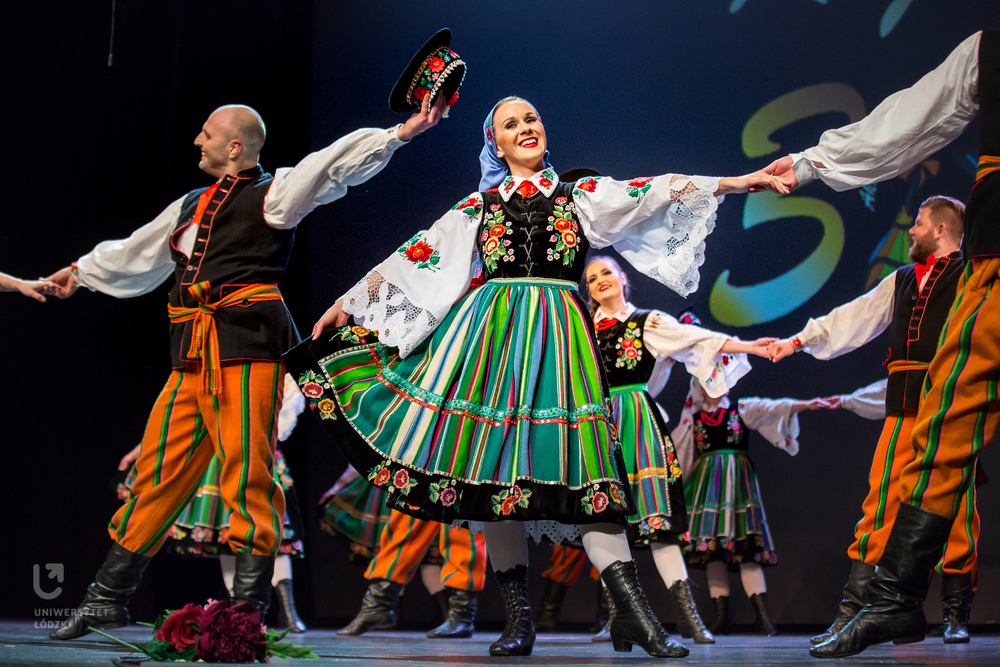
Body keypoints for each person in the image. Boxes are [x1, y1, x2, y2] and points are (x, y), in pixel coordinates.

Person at [290, 95, 787, 658]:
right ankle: (519, 620)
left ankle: (637, 616)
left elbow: (653, 190)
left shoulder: (580, 197)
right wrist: (352, 304)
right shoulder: (479, 207)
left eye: (531, 119)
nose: (525, 128)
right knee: (497, 478)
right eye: (511, 124)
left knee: (592, 476)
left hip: (558, 344)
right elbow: (417, 257)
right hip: (491, 347)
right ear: (495, 144)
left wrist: (740, 181)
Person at [46, 96, 449, 641]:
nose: (197, 141)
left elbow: (329, 165)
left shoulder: (274, 194)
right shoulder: (190, 204)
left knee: (246, 473)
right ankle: (106, 598)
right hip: (190, 353)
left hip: (247, 349)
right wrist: (81, 273)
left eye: (206, 134)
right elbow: (138, 250)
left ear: (234, 146)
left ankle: (244, 614)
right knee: (156, 472)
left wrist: (399, 133)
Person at [760, 30, 995, 658]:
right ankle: (881, 602)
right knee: (920, 469)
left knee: (946, 475)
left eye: (920, 222)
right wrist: (812, 162)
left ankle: (933, 606)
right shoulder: (991, 52)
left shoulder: (960, 272)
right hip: (911, 394)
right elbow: (913, 115)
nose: (913, 228)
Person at [768, 196, 981, 646]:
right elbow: (854, 318)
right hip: (903, 408)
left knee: (957, 511)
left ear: (941, 230)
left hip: (949, 408)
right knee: (880, 503)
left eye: (918, 223)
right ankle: (853, 610)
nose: (911, 230)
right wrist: (799, 340)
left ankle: (956, 613)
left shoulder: (973, 276)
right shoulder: (901, 280)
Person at [583, 255, 775, 644]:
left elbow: (696, 341)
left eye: (606, 273)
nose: (600, 281)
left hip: (636, 419)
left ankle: (688, 618)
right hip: (598, 425)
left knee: (658, 523)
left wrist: (749, 346)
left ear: (623, 279)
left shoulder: (647, 322)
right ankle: (619, 616)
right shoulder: (582, 331)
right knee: (608, 522)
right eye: (591, 279)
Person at [116, 373, 310, 632]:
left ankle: (288, 610)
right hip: (215, 459)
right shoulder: (207, 374)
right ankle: (240, 610)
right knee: (226, 536)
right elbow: (178, 424)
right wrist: (141, 450)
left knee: (270, 531)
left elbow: (281, 420)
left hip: (252, 451)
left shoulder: (265, 373)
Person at [671, 374, 828, 636]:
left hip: (737, 485)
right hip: (706, 485)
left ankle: (762, 617)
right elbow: (680, 451)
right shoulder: (693, 419)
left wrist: (808, 404)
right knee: (712, 550)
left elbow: (774, 407)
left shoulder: (741, 409)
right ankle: (721, 617)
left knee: (746, 547)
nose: (716, 388)